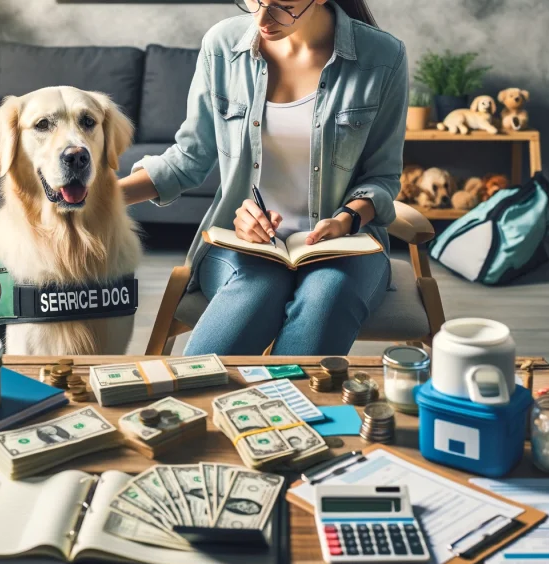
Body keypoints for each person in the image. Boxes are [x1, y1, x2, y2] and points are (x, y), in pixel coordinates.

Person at [119, 0, 408, 355]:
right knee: (257, 291)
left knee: (326, 297)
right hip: (241, 247)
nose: (261, 18)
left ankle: (289, 410)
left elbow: (382, 176)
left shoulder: (383, 56)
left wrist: (347, 220)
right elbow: (188, 159)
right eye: (254, 0)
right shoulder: (222, 47)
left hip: (346, 248)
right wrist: (102, 199)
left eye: (283, 6)